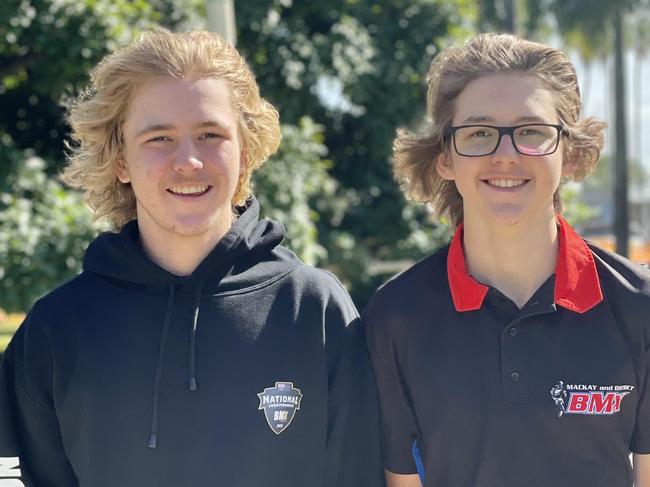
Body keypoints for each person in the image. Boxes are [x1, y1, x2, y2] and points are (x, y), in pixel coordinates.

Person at [0, 29, 383, 487]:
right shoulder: (55, 329)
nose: (188, 161)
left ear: (244, 153)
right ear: (120, 159)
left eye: (209, 134)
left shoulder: (313, 309)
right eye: (159, 138)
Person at [364, 33, 650, 487]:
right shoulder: (396, 315)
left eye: (531, 132)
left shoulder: (639, 305)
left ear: (570, 153)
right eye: (478, 134)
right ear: (445, 158)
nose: (505, 155)